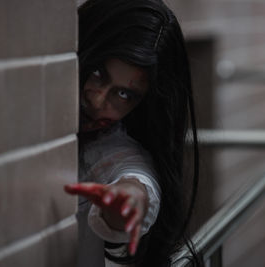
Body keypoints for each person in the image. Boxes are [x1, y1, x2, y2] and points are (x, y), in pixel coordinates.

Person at [63, 0, 200, 266]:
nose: (99, 101)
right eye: (97, 73)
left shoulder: (112, 144)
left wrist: (130, 198)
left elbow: (133, 176)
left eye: (125, 94)